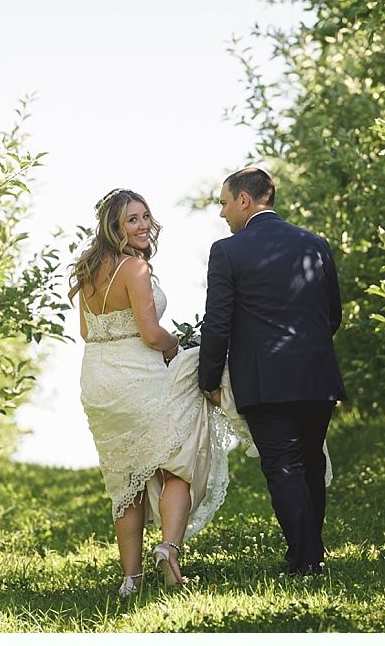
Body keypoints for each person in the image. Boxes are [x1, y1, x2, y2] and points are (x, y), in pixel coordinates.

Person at [71, 188, 232, 599]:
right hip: (139, 376)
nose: (143, 225)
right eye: (132, 219)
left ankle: (131, 580)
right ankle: (168, 547)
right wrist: (177, 344)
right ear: (115, 227)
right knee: (174, 464)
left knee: (124, 478)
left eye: (145, 216)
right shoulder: (134, 268)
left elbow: (87, 332)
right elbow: (150, 333)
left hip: (99, 380)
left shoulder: (87, 269)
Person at [198, 168, 347, 575]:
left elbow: (217, 323)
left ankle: (307, 560)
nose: (222, 214)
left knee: (283, 465)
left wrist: (208, 378)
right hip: (317, 374)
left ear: (245, 201)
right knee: (311, 462)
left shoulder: (227, 251)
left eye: (224, 203)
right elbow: (333, 313)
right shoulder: (316, 244)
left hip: (265, 379)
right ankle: (307, 553)